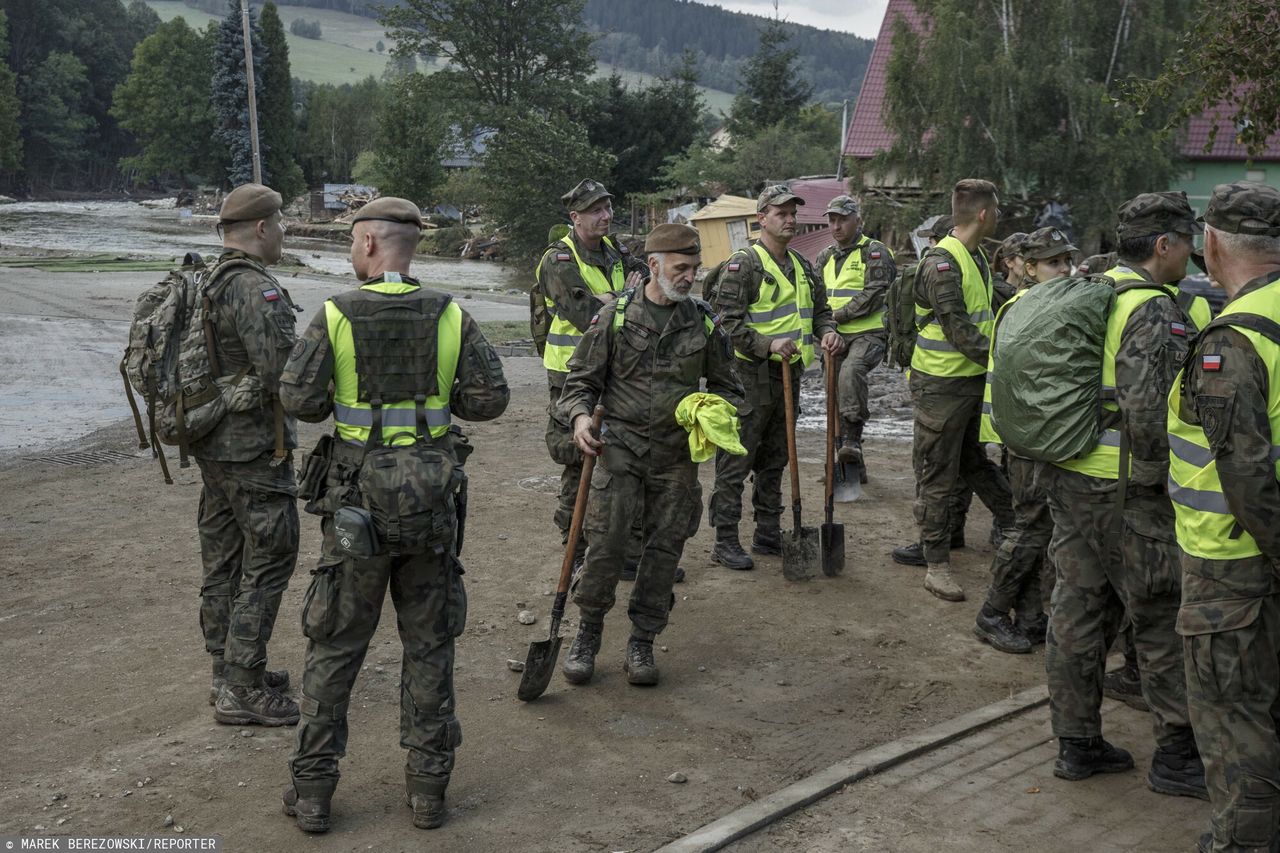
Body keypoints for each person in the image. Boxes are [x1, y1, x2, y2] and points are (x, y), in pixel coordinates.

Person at [278, 197, 509, 833]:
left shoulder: (335, 314)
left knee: (335, 644)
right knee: (429, 646)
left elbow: (298, 400)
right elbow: (489, 400)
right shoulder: (451, 314)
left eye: (355, 244)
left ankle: (316, 791)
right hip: (431, 509)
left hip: (357, 508)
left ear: (371, 245)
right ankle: (428, 791)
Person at [1040, 191, 1205, 799]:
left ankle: (1077, 744)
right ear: (1163, 245)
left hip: (1073, 474)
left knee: (1078, 608)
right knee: (1159, 614)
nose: (1192, 250)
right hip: (1128, 491)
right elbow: (1147, 410)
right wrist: (1173, 485)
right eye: (1187, 239)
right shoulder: (1154, 311)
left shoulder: (1091, 290)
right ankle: (1178, 755)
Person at [556, 224, 745, 686]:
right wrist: (581, 420)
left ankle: (642, 641)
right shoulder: (616, 317)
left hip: (675, 455)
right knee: (606, 545)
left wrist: (712, 411)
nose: (689, 278)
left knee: (664, 550)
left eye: (695, 269)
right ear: (654, 266)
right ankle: (588, 634)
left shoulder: (702, 320)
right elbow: (579, 384)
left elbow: (731, 388)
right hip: (617, 449)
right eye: (681, 269)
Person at [1166, 181, 1280, 853]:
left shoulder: (1231, 339)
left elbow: (1246, 476)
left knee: (1236, 722)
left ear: (1210, 244)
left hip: (1233, 569)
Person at [197, 183, 300, 726]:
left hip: (212, 443)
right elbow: (284, 378)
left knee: (223, 561)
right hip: (255, 451)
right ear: (261, 228)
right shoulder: (256, 290)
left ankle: (227, 670)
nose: (284, 231)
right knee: (269, 560)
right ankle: (242, 687)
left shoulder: (207, 280)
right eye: (281, 222)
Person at [707, 184, 845, 570]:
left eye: (792, 212)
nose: (789, 219)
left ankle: (768, 530)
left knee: (776, 457)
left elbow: (821, 311)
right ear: (761, 218)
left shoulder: (802, 266)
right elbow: (724, 324)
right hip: (748, 379)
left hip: (789, 376)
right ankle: (725, 538)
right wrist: (767, 344)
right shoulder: (744, 265)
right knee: (736, 459)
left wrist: (828, 332)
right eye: (780, 213)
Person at [900, 179, 1014, 602]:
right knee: (937, 474)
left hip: (969, 383)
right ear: (984, 214)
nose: (998, 218)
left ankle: (1018, 526)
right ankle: (936, 564)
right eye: (997, 210)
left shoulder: (976, 256)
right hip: (941, 388)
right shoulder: (942, 263)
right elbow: (961, 332)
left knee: (974, 464)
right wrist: (1009, 362)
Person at [535, 180, 646, 572]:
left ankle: (628, 552)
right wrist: (624, 300)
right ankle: (576, 550)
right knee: (577, 457)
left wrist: (611, 302)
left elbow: (650, 295)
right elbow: (585, 317)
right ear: (575, 217)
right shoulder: (558, 261)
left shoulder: (617, 253)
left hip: (618, 371)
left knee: (628, 456)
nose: (606, 216)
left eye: (608, 207)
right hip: (572, 375)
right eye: (596, 210)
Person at [973, 227, 1074, 653]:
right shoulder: (1026, 309)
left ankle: (1031, 617)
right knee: (1030, 528)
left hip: (1036, 435)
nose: (1065, 269)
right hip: (1030, 439)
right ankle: (992, 612)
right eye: (1054, 263)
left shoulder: (1040, 303)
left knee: (1041, 528)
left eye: (1067, 260)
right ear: (1028, 268)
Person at [892, 215, 979, 567]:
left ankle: (934, 551)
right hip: (963, 378)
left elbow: (955, 329)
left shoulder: (945, 266)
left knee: (934, 470)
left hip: (943, 382)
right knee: (970, 464)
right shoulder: (973, 263)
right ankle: (1001, 527)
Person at [814, 194, 896, 481]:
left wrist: (837, 315)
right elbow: (816, 294)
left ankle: (851, 442)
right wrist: (824, 325)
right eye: (832, 220)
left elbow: (875, 292)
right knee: (832, 390)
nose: (836, 226)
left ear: (857, 220)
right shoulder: (825, 256)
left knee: (851, 373)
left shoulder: (874, 252)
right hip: (835, 335)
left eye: (842, 220)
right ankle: (848, 466)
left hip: (869, 332)